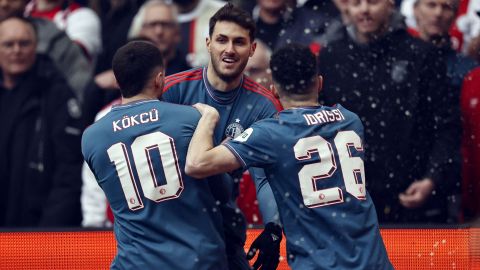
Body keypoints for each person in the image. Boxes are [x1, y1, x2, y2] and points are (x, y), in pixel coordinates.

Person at [185, 43, 394, 270]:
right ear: (319, 83)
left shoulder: (270, 133)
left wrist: (208, 116)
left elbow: (197, 164)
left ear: (274, 89)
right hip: (374, 262)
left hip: (319, 264)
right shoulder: (350, 120)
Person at [81, 41, 228, 269]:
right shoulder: (192, 119)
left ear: (117, 81)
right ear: (160, 79)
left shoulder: (92, 137)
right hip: (197, 259)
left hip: (135, 263)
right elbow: (222, 190)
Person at [162, 3, 284, 270]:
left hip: (223, 229)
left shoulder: (264, 106)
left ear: (252, 49)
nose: (229, 49)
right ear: (208, 43)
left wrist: (274, 229)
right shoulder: (171, 91)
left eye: (239, 42)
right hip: (170, 227)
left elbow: (265, 179)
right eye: (222, 40)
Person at [318, 0, 460, 223]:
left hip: (411, 193)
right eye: (357, 3)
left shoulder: (422, 55)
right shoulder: (330, 57)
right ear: (347, 7)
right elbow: (319, 127)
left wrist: (432, 178)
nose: (364, 9)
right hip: (350, 197)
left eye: (373, 2)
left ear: (390, 5)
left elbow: (446, 125)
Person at [0, 16, 83, 227]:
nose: (17, 50)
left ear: (36, 46)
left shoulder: (57, 93)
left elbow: (69, 172)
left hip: (38, 230)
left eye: (24, 43)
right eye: (8, 44)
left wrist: (46, 232)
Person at [0, 0, 93, 101]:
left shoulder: (54, 37)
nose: (4, 3)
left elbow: (80, 87)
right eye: (8, 45)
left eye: (24, 43)